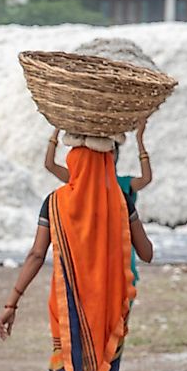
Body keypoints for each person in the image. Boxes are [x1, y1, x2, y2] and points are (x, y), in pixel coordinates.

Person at [0, 139, 154, 371]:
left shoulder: (54, 202)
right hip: (108, 314)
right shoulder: (120, 200)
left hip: (66, 315)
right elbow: (147, 253)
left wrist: (12, 302)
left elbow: (37, 254)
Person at [44, 121, 152, 286]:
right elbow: (50, 165)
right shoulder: (80, 182)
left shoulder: (123, 185)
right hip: (89, 255)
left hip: (119, 256)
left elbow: (146, 179)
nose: (109, 155)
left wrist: (140, 140)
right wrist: (56, 131)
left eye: (113, 151)